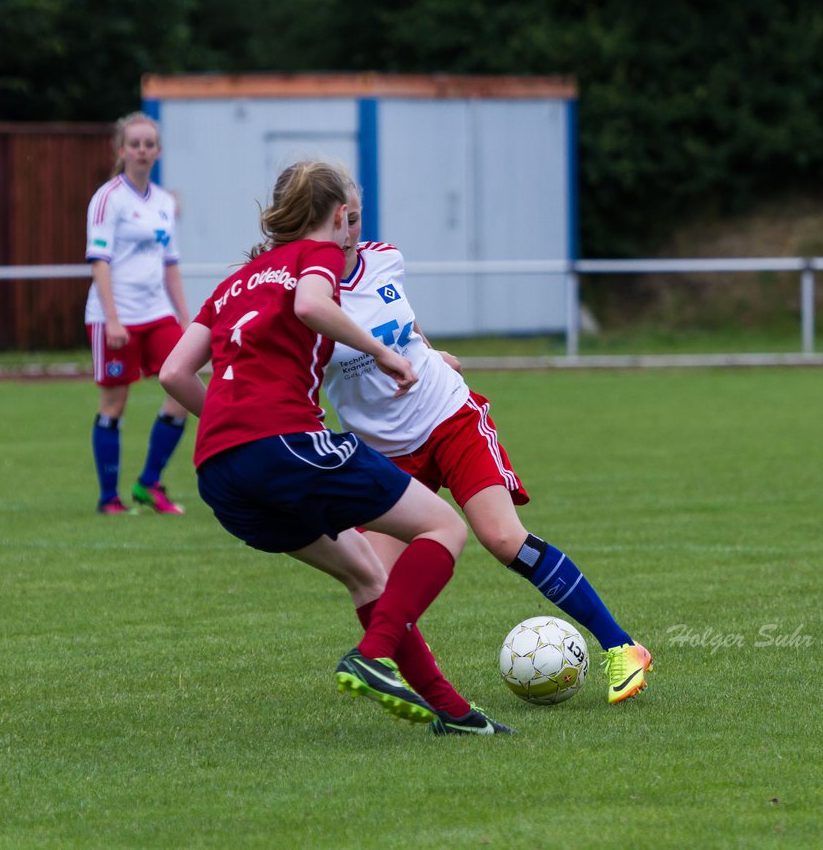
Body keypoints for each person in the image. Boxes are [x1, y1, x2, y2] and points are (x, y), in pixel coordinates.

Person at [159, 160, 510, 734]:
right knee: (444, 528)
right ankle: (371, 655)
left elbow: (174, 374)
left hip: (220, 472)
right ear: (341, 216)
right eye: (353, 217)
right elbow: (311, 306)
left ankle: (455, 714)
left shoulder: (233, 282)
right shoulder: (316, 253)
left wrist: (233, 429)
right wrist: (388, 352)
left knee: (368, 574)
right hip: (286, 444)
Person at [322, 184, 654, 704]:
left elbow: (405, 326)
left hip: (447, 415)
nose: (347, 233)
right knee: (375, 579)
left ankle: (622, 647)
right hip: (384, 453)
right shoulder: (304, 298)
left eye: (355, 219)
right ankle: (406, 679)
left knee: (503, 539)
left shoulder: (384, 261)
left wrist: (431, 354)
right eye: (336, 221)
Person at [85, 112, 191, 515]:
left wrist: (186, 318)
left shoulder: (164, 202)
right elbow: (99, 261)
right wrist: (112, 318)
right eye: (135, 144)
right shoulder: (108, 199)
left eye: (149, 144)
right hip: (116, 316)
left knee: (182, 389)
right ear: (121, 150)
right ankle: (108, 498)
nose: (143, 151)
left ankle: (150, 483)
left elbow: (170, 264)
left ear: (158, 151)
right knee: (115, 404)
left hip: (157, 312)